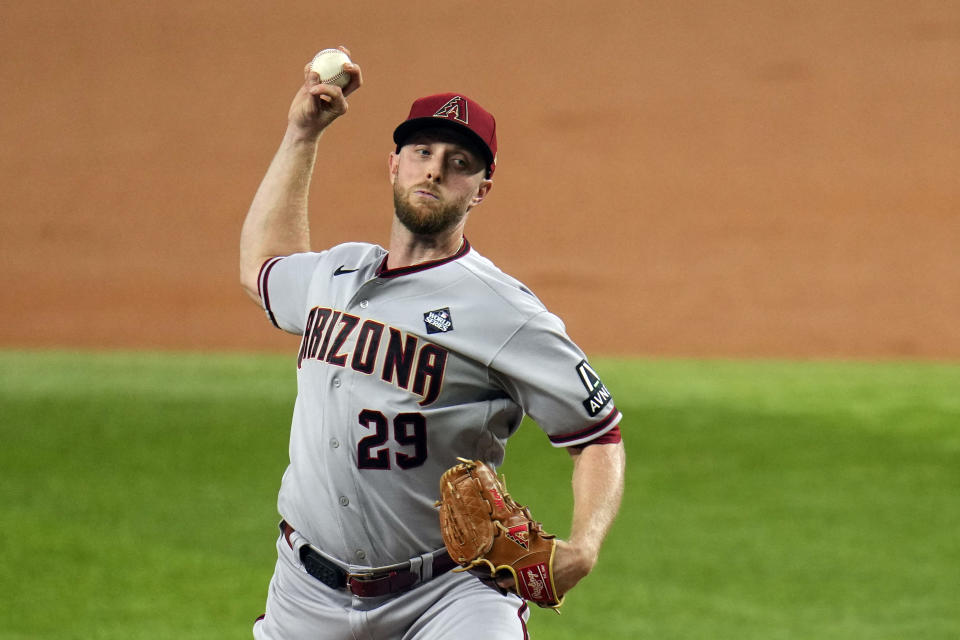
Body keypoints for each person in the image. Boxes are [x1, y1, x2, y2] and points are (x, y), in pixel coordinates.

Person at [239, 46, 626, 639]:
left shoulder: (504, 311)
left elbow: (598, 435)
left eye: (459, 161)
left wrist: (584, 547)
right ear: (394, 164)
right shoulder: (334, 273)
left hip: (449, 595)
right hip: (306, 590)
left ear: (481, 190)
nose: (435, 169)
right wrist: (301, 134)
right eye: (422, 151)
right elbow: (265, 266)